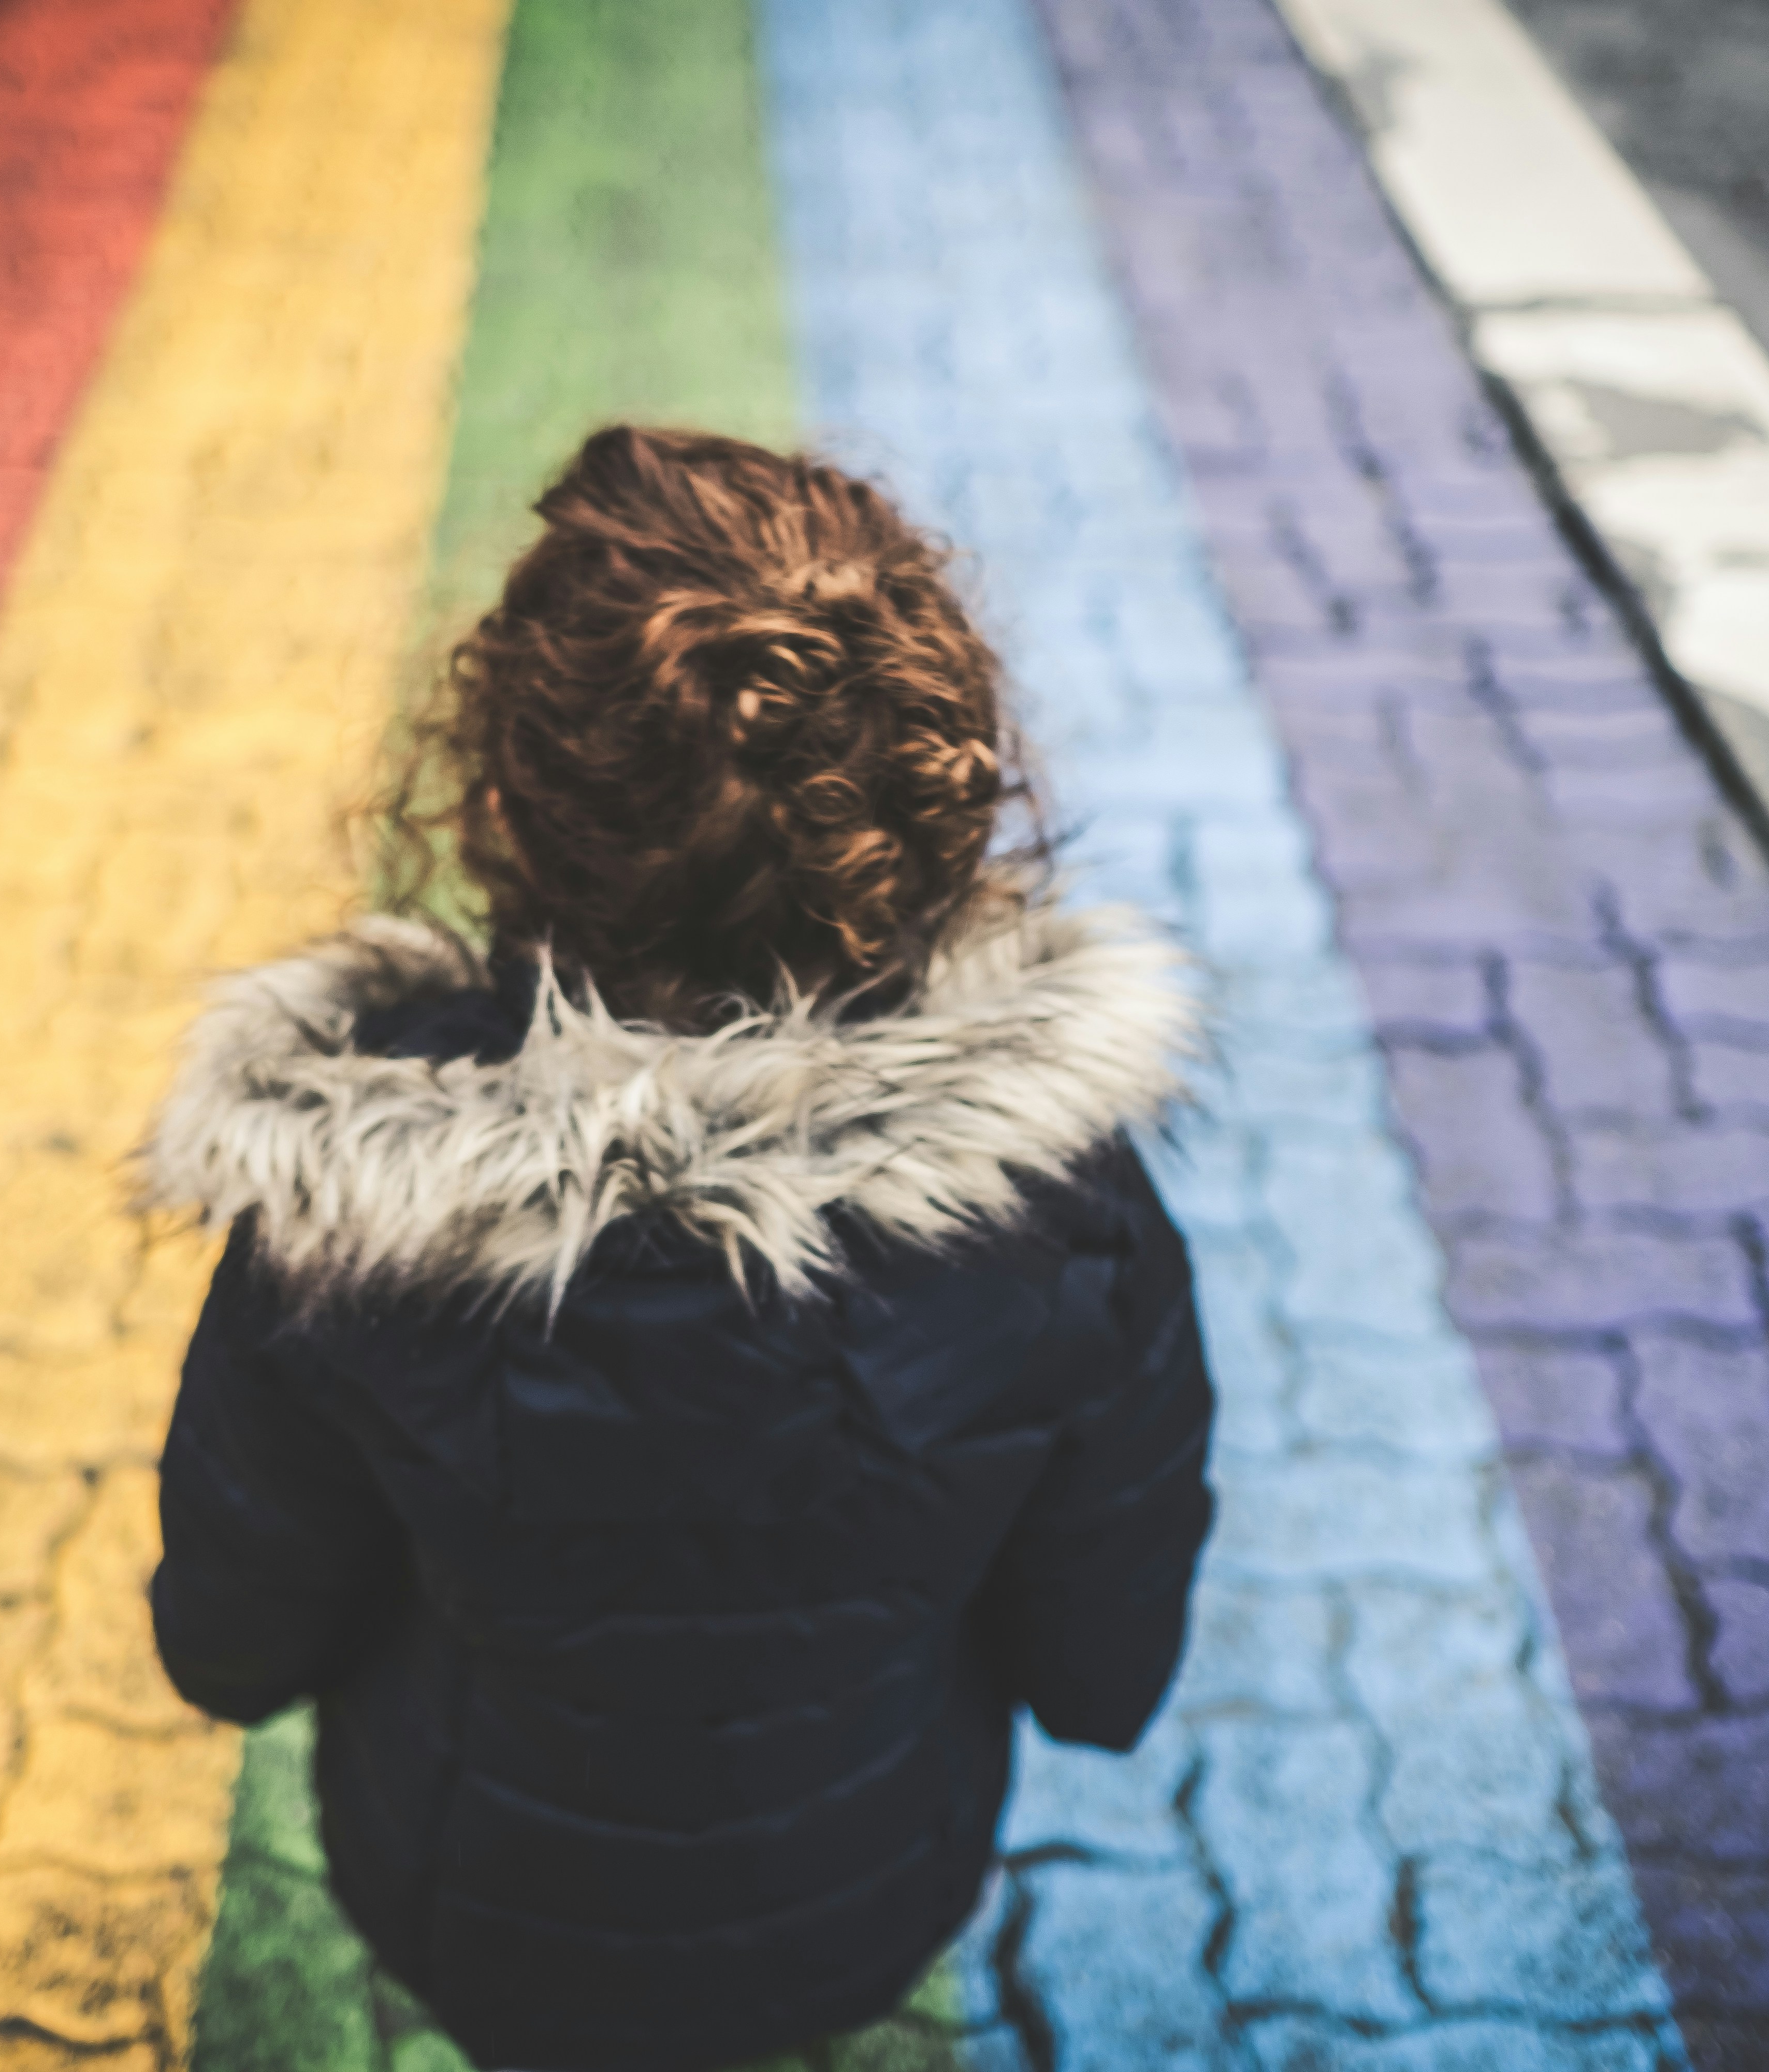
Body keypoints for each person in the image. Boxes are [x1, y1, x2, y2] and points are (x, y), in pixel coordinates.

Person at [139, 424, 1215, 2072]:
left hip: (475, 1891)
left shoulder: (344, 1223)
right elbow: (1100, 1666)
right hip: (863, 1883)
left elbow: (234, 1641)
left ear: (505, 799)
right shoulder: (1071, 1217)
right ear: (925, 795)